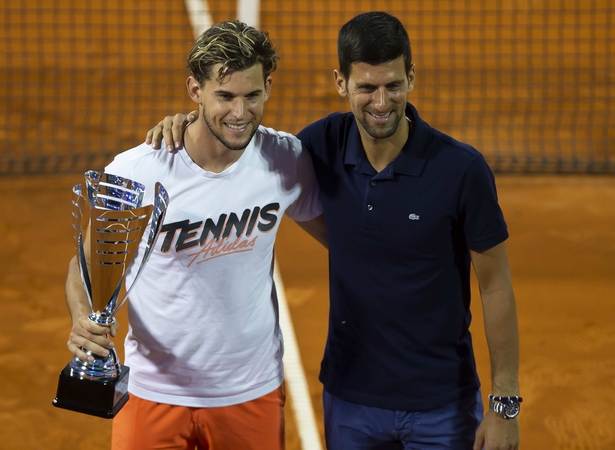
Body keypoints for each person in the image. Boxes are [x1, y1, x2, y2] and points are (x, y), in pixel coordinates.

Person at [147, 11, 521, 450]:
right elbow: (237, 140)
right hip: (350, 401)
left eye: (393, 86)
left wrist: (505, 404)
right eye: (366, 87)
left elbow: (495, 285)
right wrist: (186, 122)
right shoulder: (317, 148)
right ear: (341, 83)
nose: (381, 103)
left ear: (411, 78)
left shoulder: (461, 170)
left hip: (443, 404)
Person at [66, 20, 326, 450]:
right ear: (195, 91)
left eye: (252, 96)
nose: (240, 113)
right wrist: (81, 316)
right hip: (153, 394)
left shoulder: (286, 161)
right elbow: (86, 265)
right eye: (225, 96)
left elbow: (348, 242)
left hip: (250, 393)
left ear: (269, 87)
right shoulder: (138, 172)